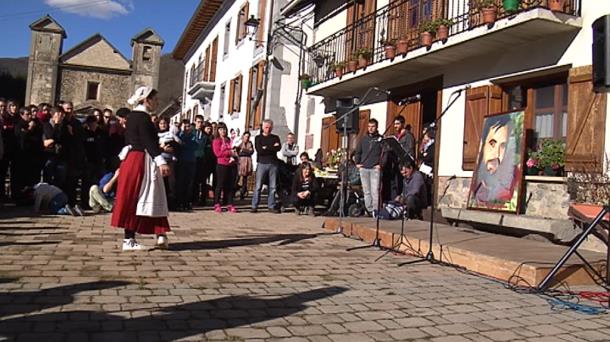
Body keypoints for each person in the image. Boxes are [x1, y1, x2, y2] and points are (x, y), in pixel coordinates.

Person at [111, 87, 171, 251]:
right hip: (140, 160)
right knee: (137, 197)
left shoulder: (133, 117)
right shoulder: (142, 118)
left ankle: (160, 233)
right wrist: (161, 161)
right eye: (155, 99)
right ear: (146, 100)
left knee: (146, 196)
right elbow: (147, 141)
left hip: (135, 158)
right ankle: (129, 239)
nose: (157, 103)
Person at [471, 115, 519, 206]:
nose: (497, 154)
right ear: (482, 145)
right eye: (492, 144)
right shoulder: (476, 184)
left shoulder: (511, 183)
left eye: (502, 146)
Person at [251, 119, 281, 213]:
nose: (268, 129)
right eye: (266, 127)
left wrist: (266, 147)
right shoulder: (258, 138)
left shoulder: (275, 137)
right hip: (262, 164)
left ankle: (271, 205)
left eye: (269, 127)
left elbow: (278, 148)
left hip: (273, 164)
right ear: (262, 127)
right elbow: (260, 150)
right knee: (258, 186)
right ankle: (254, 206)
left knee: (273, 187)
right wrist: (271, 147)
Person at [354, 118, 383, 216]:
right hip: (364, 168)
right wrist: (358, 163)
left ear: (376, 127)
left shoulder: (380, 139)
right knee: (366, 191)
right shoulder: (363, 139)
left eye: (373, 127)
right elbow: (358, 152)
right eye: (369, 126)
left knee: (375, 190)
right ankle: (369, 210)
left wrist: (381, 164)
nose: (371, 129)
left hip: (375, 168)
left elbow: (385, 153)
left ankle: (376, 211)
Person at [212, 122, 238, 213]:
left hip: (231, 164)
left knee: (230, 185)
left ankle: (229, 203)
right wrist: (229, 153)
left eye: (224, 129)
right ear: (218, 131)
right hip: (222, 165)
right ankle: (216, 203)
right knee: (220, 184)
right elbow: (218, 153)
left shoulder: (228, 140)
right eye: (221, 129)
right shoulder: (216, 141)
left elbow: (233, 148)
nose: (223, 131)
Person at [176, 119, 198, 211]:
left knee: (189, 183)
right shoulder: (178, 135)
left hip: (191, 161)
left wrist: (184, 144)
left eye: (188, 126)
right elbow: (177, 145)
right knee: (180, 182)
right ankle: (179, 202)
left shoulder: (193, 136)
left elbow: (195, 146)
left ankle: (187, 202)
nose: (186, 128)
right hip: (181, 161)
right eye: (184, 126)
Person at [236, 131, 254, 200]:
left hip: (247, 162)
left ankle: (242, 193)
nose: (247, 138)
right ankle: (236, 190)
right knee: (237, 178)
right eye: (246, 136)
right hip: (240, 162)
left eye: (248, 136)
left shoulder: (250, 143)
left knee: (245, 179)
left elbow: (251, 151)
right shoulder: (240, 143)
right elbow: (237, 151)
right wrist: (245, 151)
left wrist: (243, 150)